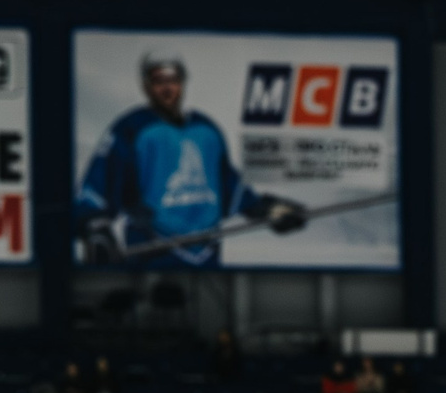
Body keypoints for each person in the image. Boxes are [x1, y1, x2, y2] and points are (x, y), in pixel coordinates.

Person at [75, 50, 307, 268]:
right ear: (146, 85)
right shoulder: (132, 128)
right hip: (152, 255)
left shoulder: (207, 130)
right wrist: (95, 225)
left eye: (173, 80)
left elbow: (229, 188)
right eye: (158, 81)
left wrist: (270, 210)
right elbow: (98, 186)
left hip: (207, 257)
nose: (167, 88)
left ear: (182, 82)